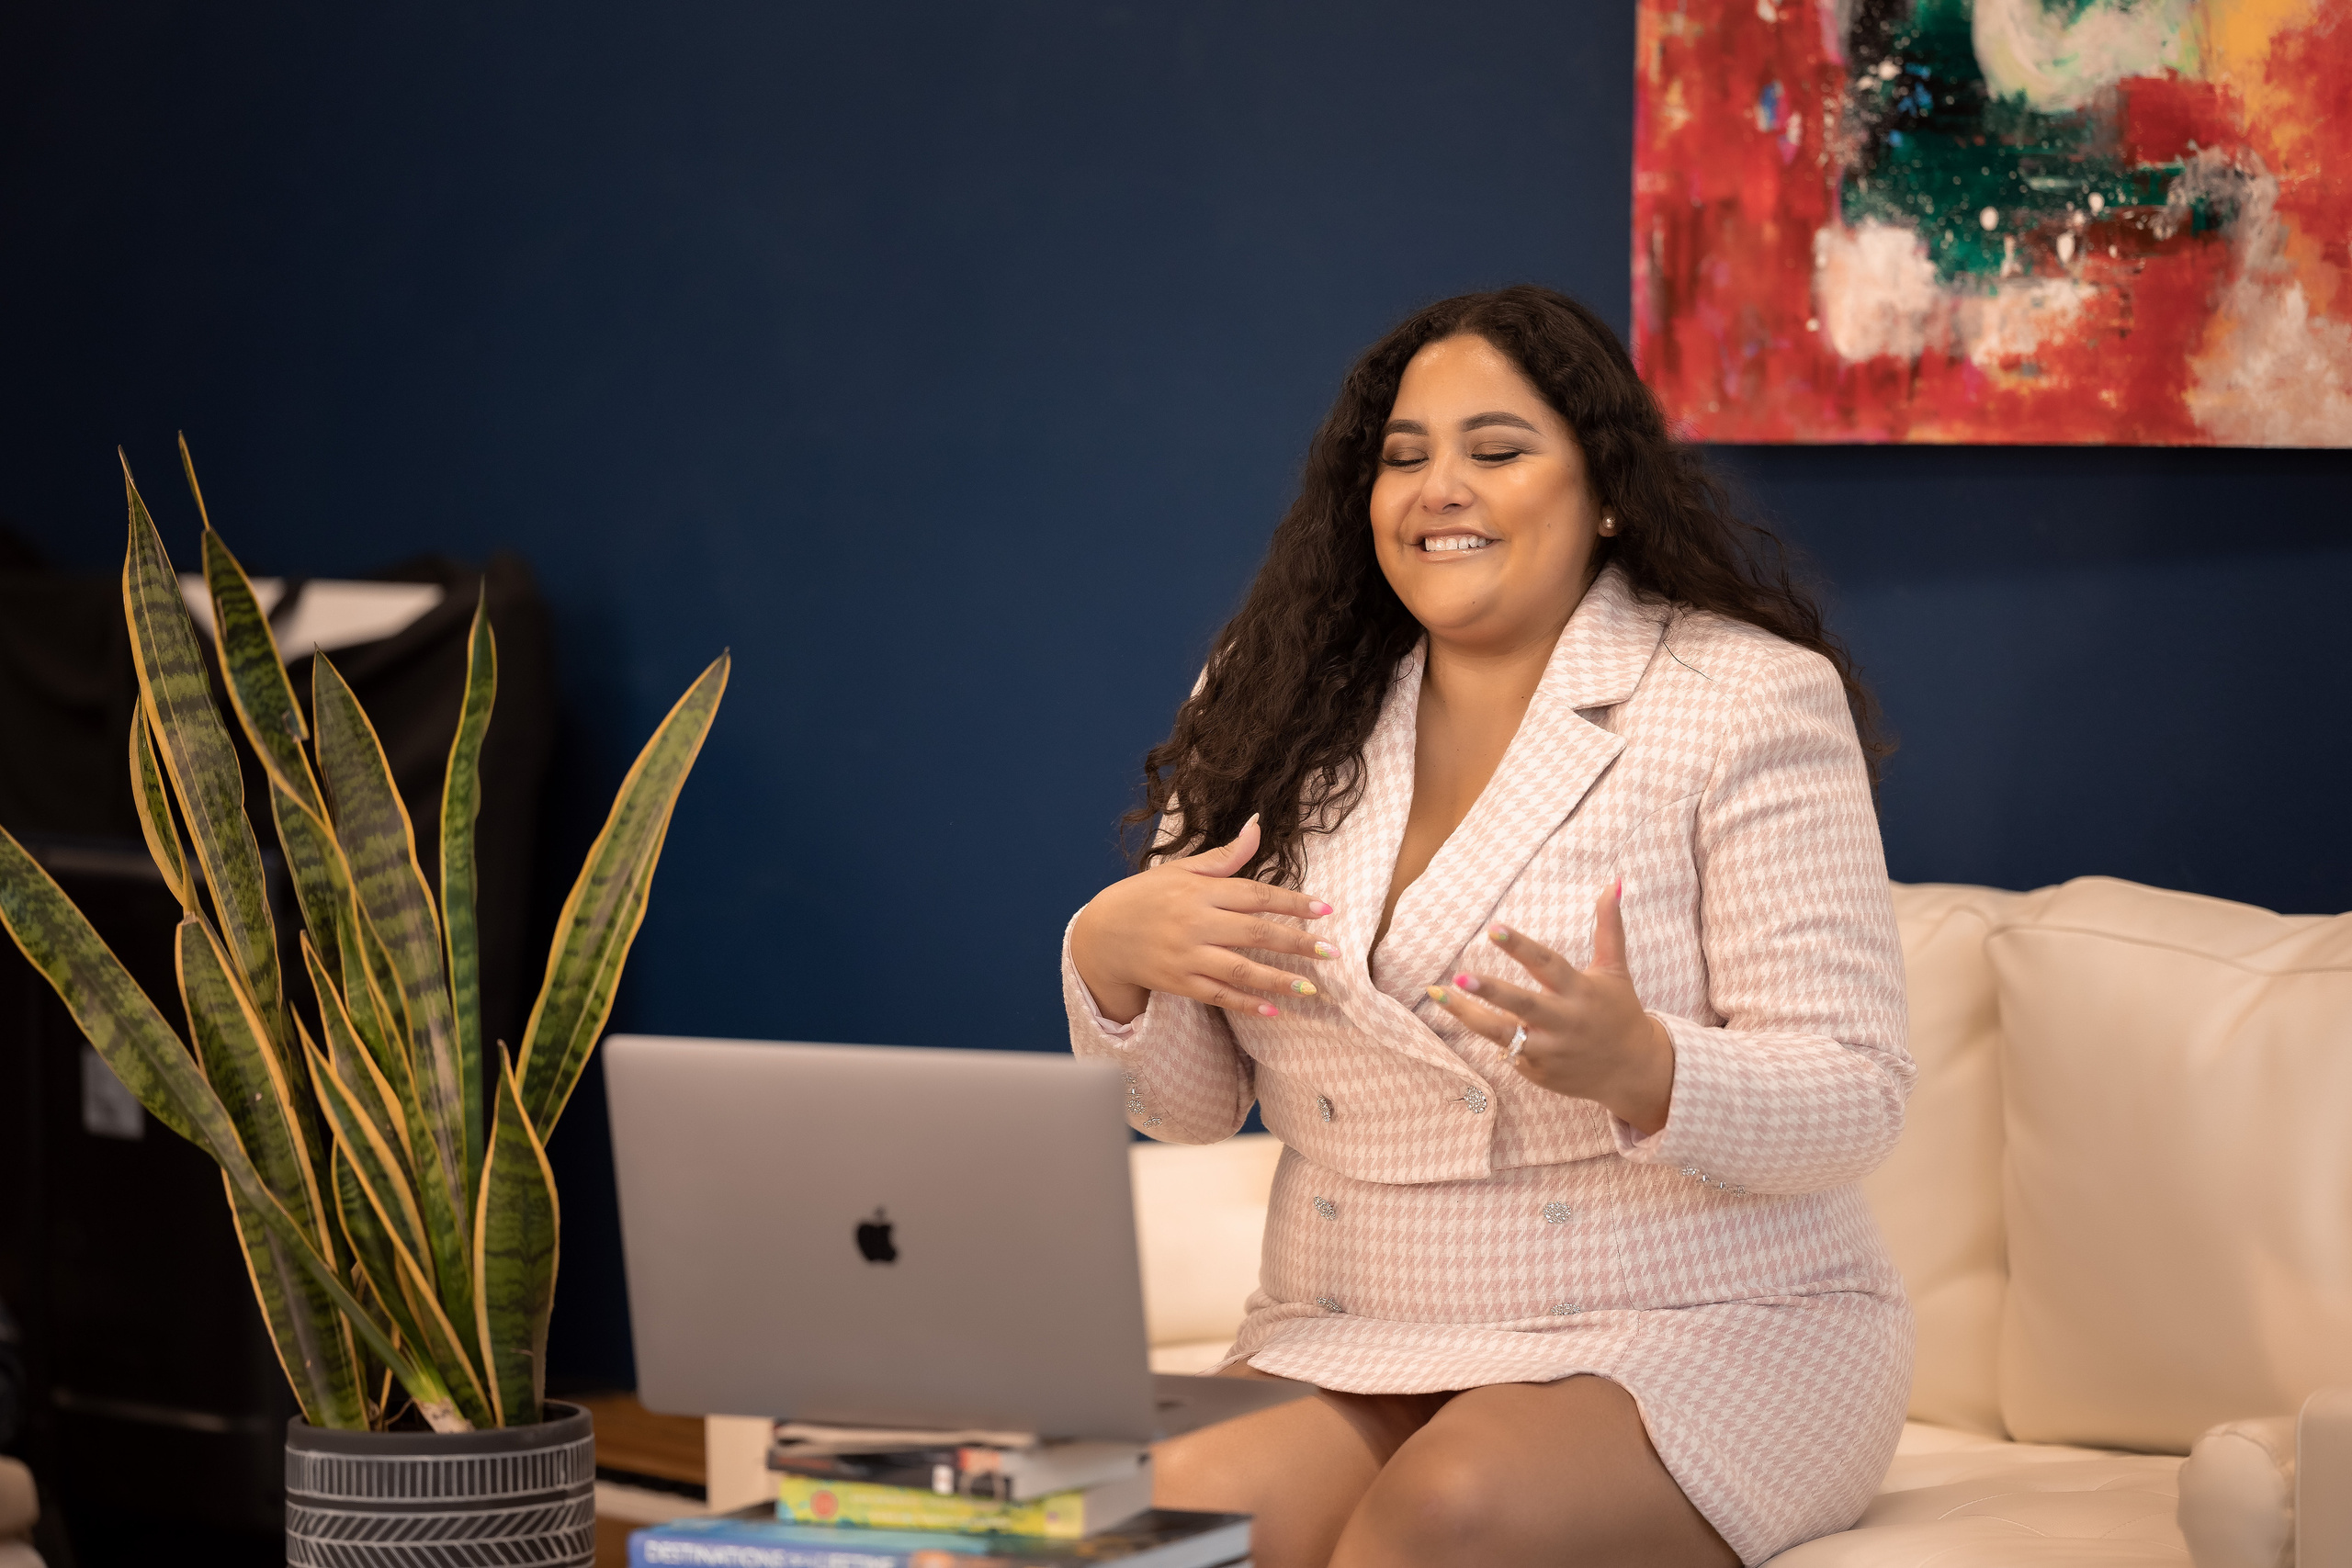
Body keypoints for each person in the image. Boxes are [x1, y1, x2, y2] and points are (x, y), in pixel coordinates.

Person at [1061, 286, 1912, 1568]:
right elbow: (1187, 1109)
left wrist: (1649, 1067)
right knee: (1150, 1512)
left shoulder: (1746, 698)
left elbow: (1859, 1095)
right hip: (1357, 1320)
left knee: (1447, 1512)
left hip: (1701, 1320)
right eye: (1404, 457)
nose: (1438, 489)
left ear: (1606, 489)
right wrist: (1111, 955)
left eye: (1497, 451)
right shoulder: (1266, 696)